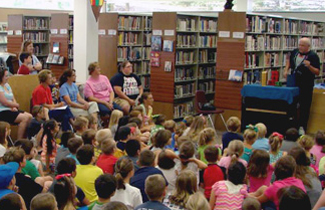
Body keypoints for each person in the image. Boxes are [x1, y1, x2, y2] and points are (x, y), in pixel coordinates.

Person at [284, 37, 320, 132]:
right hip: (294, 83)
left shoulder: (313, 56)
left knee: (304, 106)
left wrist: (309, 66)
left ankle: (302, 127)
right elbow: (289, 60)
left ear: (308, 46)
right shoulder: (295, 52)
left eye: (302, 45)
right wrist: (286, 70)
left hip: (306, 85)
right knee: (292, 104)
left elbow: (317, 72)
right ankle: (292, 126)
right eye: (299, 44)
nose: (300, 47)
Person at [0, 68, 32, 139]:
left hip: (11, 109)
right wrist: (15, 105)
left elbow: (12, 98)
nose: (8, 77)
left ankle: (26, 138)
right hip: (2, 111)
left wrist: (14, 106)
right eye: (6, 76)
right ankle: (19, 140)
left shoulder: (7, 85)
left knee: (30, 116)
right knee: (24, 118)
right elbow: (4, 102)